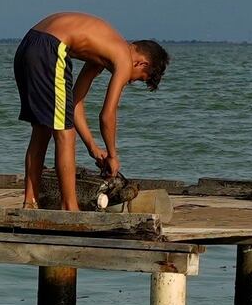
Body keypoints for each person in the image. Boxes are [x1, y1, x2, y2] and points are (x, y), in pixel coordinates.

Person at [13, 12, 166, 207]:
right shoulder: (124, 59)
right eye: (137, 78)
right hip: (51, 47)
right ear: (141, 63)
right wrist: (112, 155)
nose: (129, 80)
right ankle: (70, 208)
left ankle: (30, 201)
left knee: (42, 129)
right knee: (66, 136)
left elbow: (75, 103)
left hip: (29, 44)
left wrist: (93, 147)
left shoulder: (103, 50)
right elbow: (107, 115)